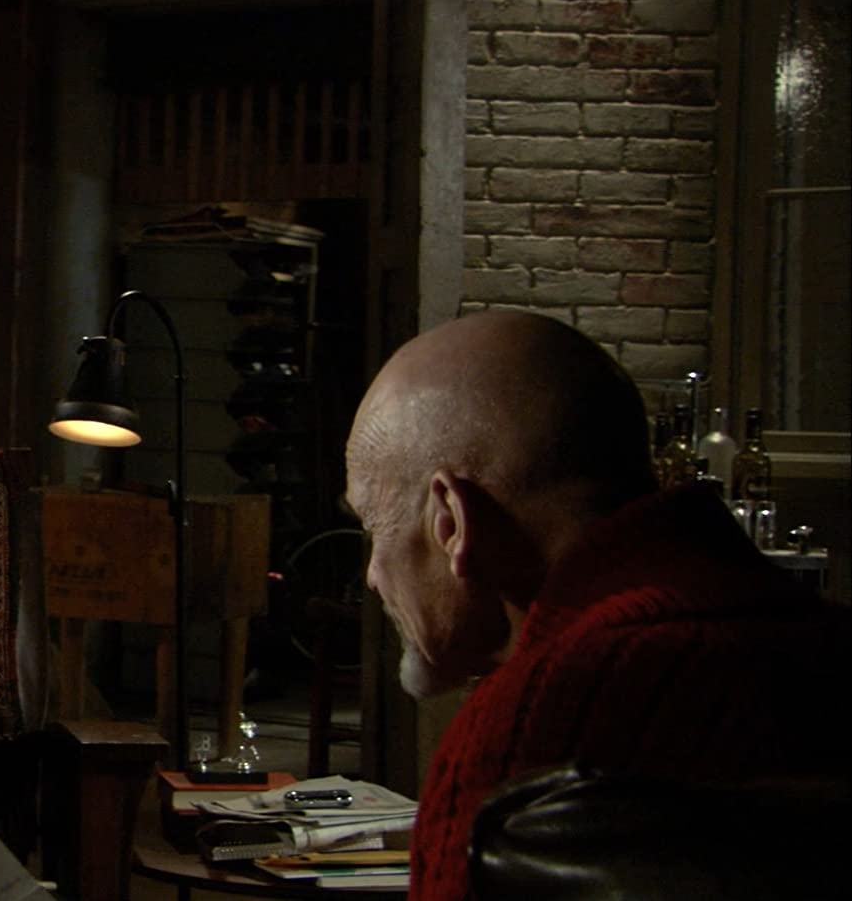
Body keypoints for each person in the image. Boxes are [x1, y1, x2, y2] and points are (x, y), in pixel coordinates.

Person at [343, 311, 850, 901]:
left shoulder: (533, 724)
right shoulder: (824, 641)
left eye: (374, 525)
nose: (373, 577)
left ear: (451, 523)